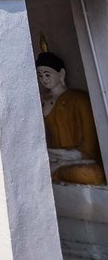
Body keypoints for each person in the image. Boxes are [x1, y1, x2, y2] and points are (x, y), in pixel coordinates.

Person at [35, 49, 106, 185]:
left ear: (61, 73)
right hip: (52, 160)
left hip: (79, 159)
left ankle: (58, 173)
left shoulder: (79, 99)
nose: (44, 79)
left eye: (47, 74)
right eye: (40, 75)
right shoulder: (40, 101)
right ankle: (56, 172)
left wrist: (63, 155)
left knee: (94, 174)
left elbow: (89, 147)